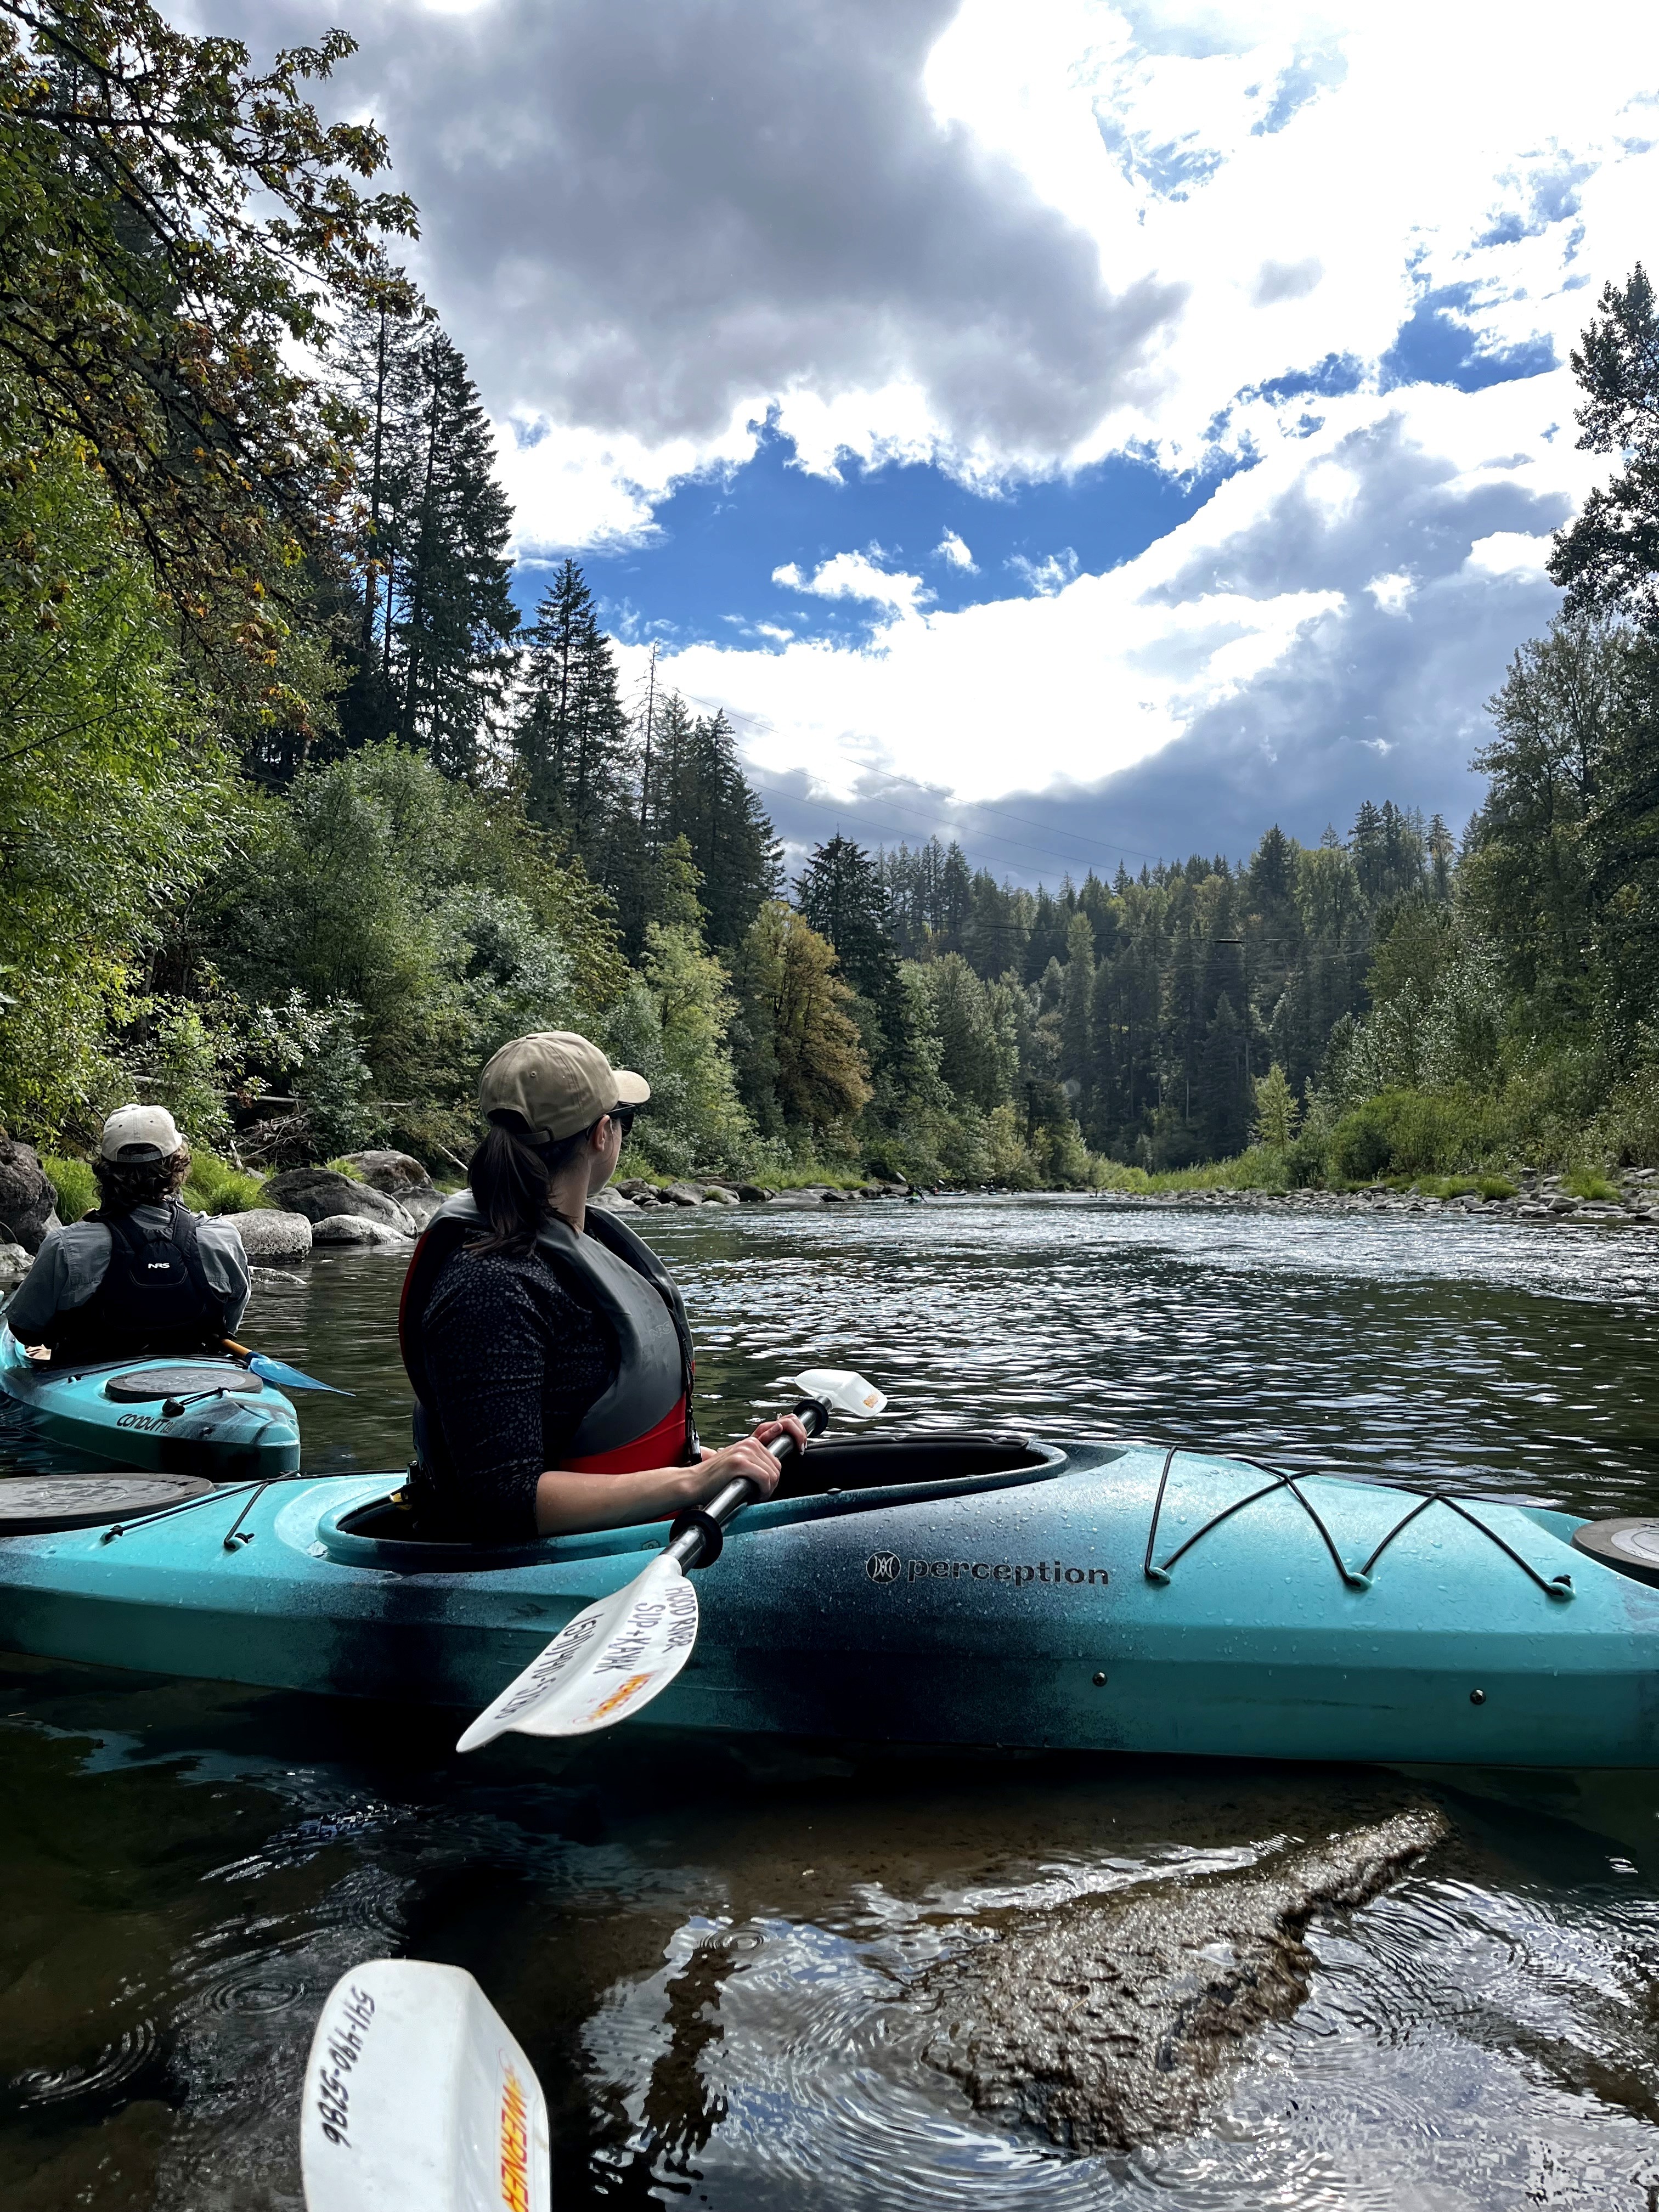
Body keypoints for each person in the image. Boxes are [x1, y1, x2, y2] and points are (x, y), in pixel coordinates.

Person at [399, 1030, 806, 1542]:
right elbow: (504, 1499)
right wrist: (694, 1482)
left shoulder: (576, 1251)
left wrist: (723, 1461)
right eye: (622, 1122)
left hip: (625, 1537)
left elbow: (583, 1436)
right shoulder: (491, 1287)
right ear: (601, 1135)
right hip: (537, 1567)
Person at [4, 1105, 250, 1361]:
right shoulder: (222, 1237)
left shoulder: (66, 1245)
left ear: (105, 1170)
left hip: (88, 1375)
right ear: (177, 1166)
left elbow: (25, 1330)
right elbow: (228, 1325)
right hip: (200, 1374)